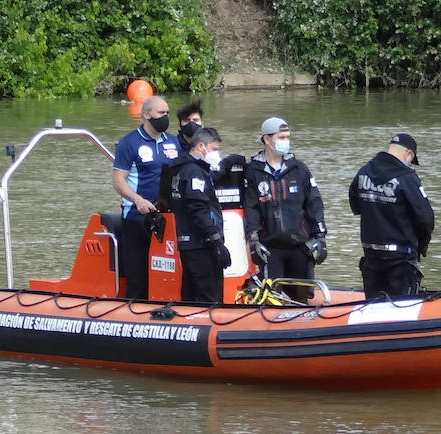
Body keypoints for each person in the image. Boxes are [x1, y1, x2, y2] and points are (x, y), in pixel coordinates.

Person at [241, 116, 327, 303]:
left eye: (287, 137)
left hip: (299, 245)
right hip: (271, 248)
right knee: (271, 298)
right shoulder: (253, 172)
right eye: (281, 137)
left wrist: (320, 237)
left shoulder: (299, 169)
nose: (285, 141)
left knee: (302, 298)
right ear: (267, 139)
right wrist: (253, 240)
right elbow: (251, 209)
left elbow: (314, 203)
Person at [348, 132, 435, 300]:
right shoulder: (407, 177)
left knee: (373, 309)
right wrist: (421, 246)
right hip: (400, 258)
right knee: (401, 310)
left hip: (371, 254)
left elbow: (355, 206)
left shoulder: (363, 172)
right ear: (409, 154)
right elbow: (425, 219)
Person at [112, 95, 180, 300]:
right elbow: (118, 181)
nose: (165, 117)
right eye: (161, 113)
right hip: (137, 218)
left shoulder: (174, 142)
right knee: (138, 276)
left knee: (169, 273)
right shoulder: (129, 143)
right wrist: (138, 200)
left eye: (167, 113)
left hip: (169, 219)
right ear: (146, 115)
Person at [168, 127, 233, 304]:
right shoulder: (194, 171)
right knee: (210, 297)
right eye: (214, 149)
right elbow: (198, 208)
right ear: (200, 146)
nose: (217, 154)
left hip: (189, 243)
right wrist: (216, 242)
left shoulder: (180, 169)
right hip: (201, 244)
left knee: (190, 293)